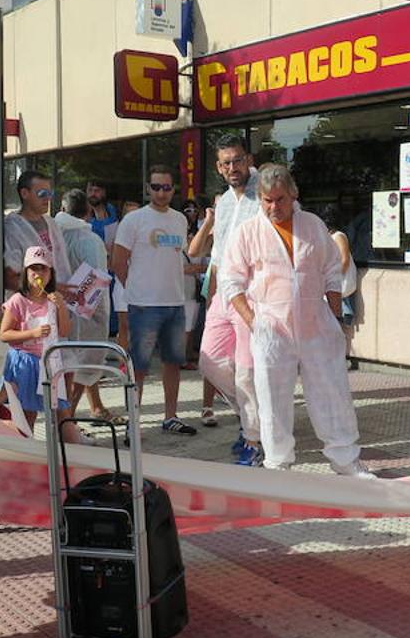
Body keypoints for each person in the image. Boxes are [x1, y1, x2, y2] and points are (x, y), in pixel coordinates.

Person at [220, 165, 373, 478]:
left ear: (294, 195)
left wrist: (333, 317)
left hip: (316, 323)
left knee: (333, 393)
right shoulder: (248, 232)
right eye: (266, 201)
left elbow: (332, 269)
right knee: (272, 399)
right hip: (271, 328)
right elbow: (231, 281)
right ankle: (278, 465)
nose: (273, 207)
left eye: (279, 199)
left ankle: (346, 461)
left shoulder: (313, 225)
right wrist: (254, 322)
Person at [188, 137, 264, 459]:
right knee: (210, 362)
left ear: (248, 159)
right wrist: (213, 295)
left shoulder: (264, 192)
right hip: (221, 295)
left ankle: (255, 440)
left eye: (238, 160)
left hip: (252, 294)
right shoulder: (224, 203)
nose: (233, 168)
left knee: (246, 371)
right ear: (219, 168)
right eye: (226, 163)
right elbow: (214, 253)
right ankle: (254, 420)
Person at [112, 166, 199, 436]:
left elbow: (179, 256)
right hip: (144, 305)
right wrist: (136, 289)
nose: (161, 192)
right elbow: (117, 261)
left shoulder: (179, 220)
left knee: (173, 363)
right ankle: (132, 423)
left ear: (174, 190)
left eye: (166, 187)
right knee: (138, 367)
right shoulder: (134, 220)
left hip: (175, 302)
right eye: (156, 187)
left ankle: (170, 416)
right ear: (148, 188)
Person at [55, 189, 114, 422]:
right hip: (85, 312)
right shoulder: (90, 240)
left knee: (74, 366)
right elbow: (96, 280)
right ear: (88, 212)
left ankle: (95, 406)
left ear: (62, 209)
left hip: (59, 310)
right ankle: (67, 423)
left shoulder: (53, 234)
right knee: (84, 366)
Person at [0, 246, 71, 430]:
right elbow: (4, 334)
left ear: (50, 273)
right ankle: (25, 449)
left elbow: (64, 331)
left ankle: (61, 450)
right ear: (25, 272)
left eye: (43, 268)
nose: (38, 273)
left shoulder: (54, 299)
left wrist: (61, 307)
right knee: (26, 415)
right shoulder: (18, 300)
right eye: (34, 268)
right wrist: (32, 333)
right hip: (25, 362)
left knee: (60, 411)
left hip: (50, 362)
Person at [4, 171, 73, 294]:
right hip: (29, 307)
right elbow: (10, 278)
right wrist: (50, 288)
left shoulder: (51, 223)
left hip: (59, 304)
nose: (47, 198)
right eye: (42, 194)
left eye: (50, 193)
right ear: (24, 193)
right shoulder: (12, 227)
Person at [320, 203, 359, 358]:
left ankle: (339, 356)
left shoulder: (339, 236)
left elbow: (344, 260)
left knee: (338, 322)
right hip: (330, 285)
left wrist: (333, 278)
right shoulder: (328, 237)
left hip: (337, 285)